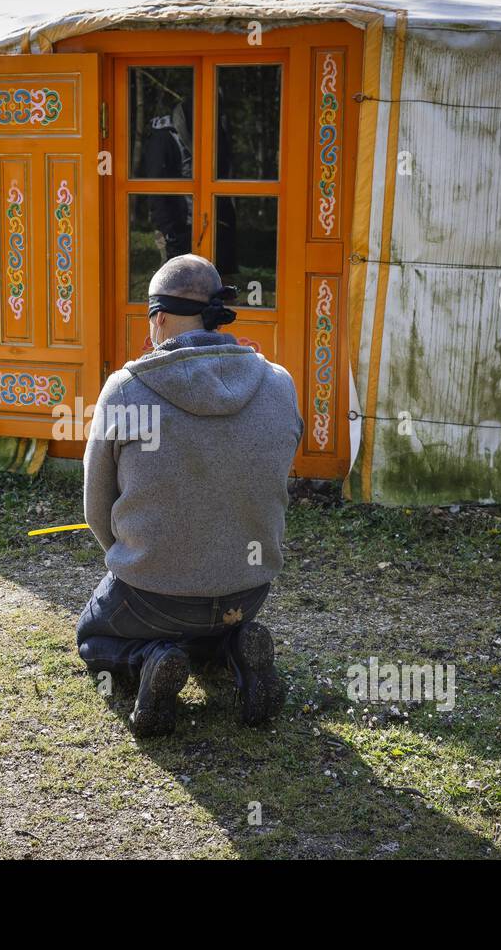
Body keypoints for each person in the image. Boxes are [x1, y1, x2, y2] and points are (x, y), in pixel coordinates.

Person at [77, 254, 303, 736]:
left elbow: (96, 508)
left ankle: (153, 657)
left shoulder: (126, 390)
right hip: (248, 588)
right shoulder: (279, 384)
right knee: (209, 617)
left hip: (152, 594)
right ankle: (236, 649)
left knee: (93, 636)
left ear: (157, 317)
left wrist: (138, 558)